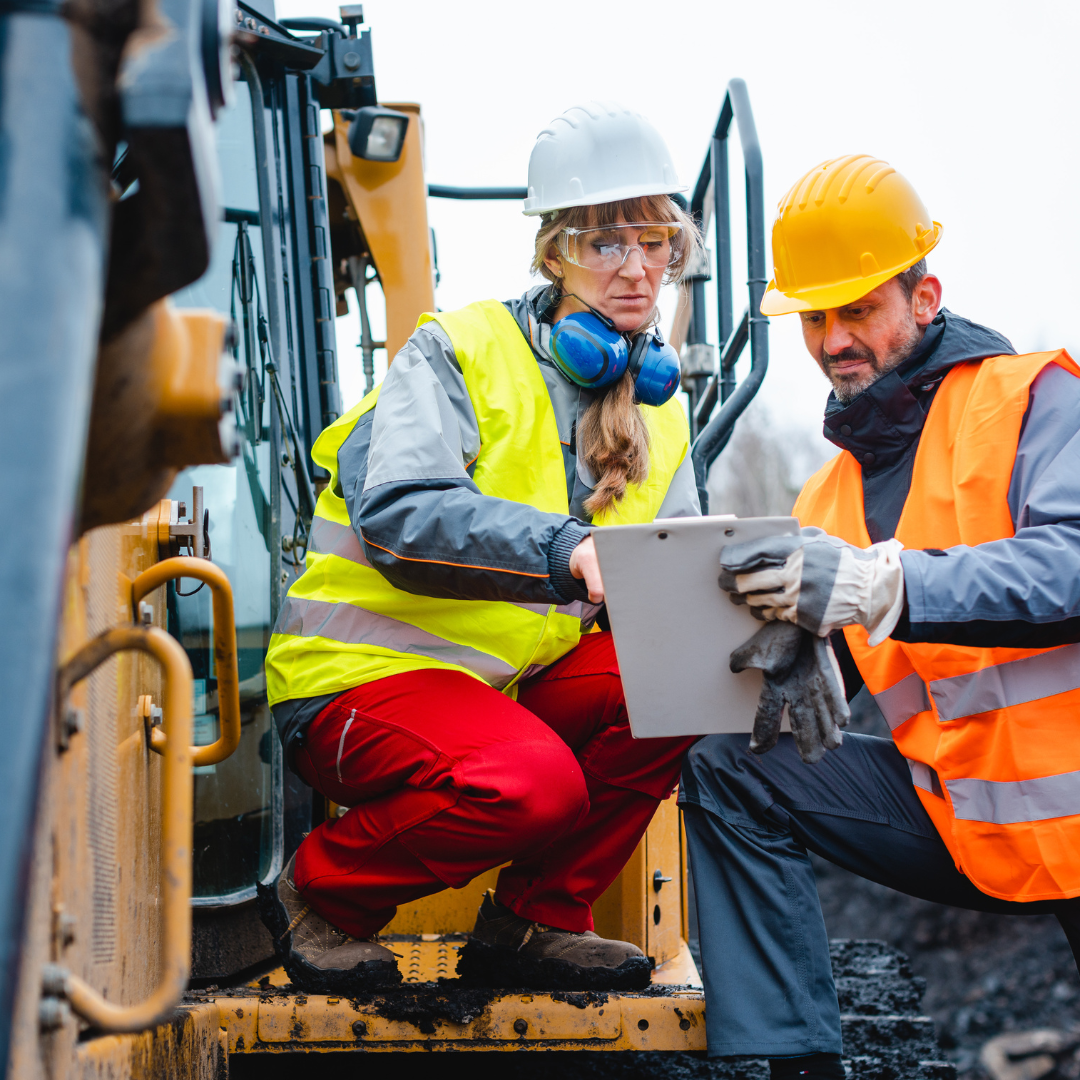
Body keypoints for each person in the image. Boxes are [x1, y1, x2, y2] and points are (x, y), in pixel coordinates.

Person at [259, 103, 703, 994]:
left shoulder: (661, 408)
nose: (635, 265)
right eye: (604, 242)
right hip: (355, 685)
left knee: (680, 672)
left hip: (490, 695)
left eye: (654, 241)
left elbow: (679, 581)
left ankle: (536, 922)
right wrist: (565, 547)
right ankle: (324, 896)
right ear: (555, 255)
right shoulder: (455, 352)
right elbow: (397, 512)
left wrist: (769, 619)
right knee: (534, 784)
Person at [681, 154, 1080, 1077]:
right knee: (729, 765)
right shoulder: (827, 495)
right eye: (815, 317)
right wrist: (794, 654)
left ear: (924, 295)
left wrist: (881, 587)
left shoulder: (1034, 402)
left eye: (858, 309)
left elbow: (1068, 565)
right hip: (967, 820)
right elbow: (840, 650)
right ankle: (798, 1063)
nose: (832, 340)